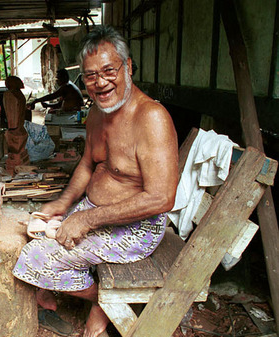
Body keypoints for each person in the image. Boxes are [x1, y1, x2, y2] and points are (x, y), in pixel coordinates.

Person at [13, 25, 178, 337]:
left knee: (34, 261)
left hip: (136, 226)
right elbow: (88, 164)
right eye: (90, 75)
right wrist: (63, 203)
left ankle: (108, 304)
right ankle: (93, 301)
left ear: (127, 67)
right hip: (96, 212)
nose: (100, 83)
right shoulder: (99, 113)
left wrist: (87, 219)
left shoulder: (151, 118)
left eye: (109, 70)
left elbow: (161, 199)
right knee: (34, 230)